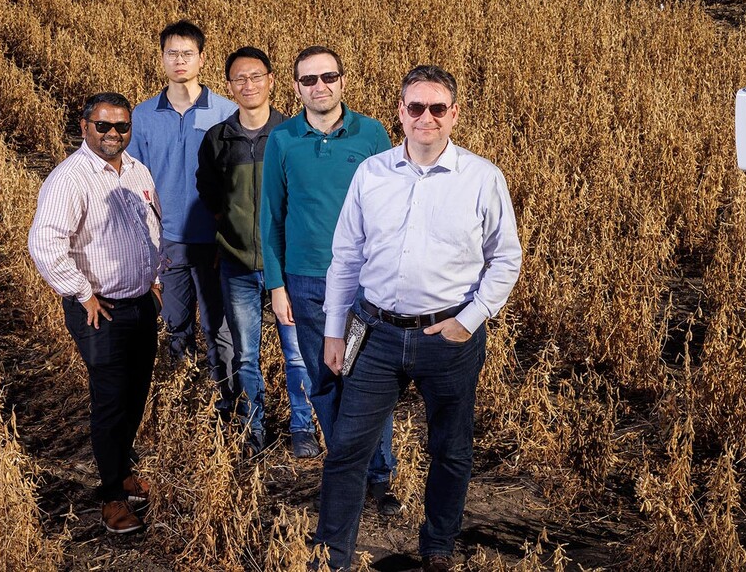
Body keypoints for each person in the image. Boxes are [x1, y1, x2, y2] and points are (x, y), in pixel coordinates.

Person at [314, 66, 523, 571]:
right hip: (378, 333)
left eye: (436, 108)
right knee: (346, 449)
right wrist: (334, 330)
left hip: (448, 338)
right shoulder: (373, 173)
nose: (425, 118)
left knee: (450, 451)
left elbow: (506, 258)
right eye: (415, 108)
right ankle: (331, 556)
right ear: (401, 113)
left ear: (454, 114)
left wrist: (468, 320)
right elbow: (345, 257)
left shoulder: (482, 177)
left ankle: (437, 548)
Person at [260, 46, 400, 514]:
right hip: (305, 281)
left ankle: (379, 475)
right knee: (323, 378)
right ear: (295, 87)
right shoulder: (282, 140)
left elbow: (397, 207)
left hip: (364, 284)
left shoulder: (373, 133)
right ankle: (347, 469)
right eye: (309, 80)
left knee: (369, 381)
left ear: (342, 80)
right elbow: (271, 216)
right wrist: (277, 285)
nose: (320, 86)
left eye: (328, 76)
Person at [28, 92, 163, 534]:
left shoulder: (137, 170)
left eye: (122, 127)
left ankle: (122, 471)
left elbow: (152, 228)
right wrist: (81, 293)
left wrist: (155, 280)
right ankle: (111, 499)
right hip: (100, 310)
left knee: (135, 395)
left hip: (140, 303)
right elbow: (46, 245)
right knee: (110, 402)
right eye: (103, 126)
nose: (112, 134)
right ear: (84, 126)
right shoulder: (70, 178)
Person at [196, 46, 319, 458]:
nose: (248, 85)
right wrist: (231, 235)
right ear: (229, 86)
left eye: (256, 77)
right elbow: (210, 195)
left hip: (288, 266)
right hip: (237, 266)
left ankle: (303, 427)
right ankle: (254, 428)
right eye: (239, 79)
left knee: (297, 354)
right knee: (247, 355)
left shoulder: (293, 135)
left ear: (270, 80)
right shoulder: (218, 139)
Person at [127, 20, 238, 404]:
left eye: (187, 53)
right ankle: (185, 400)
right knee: (176, 325)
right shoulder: (142, 116)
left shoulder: (226, 112)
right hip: (167, 239)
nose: (179, 60)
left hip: (214, 239)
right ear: (161, 58)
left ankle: (225, 399)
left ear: (201, 59)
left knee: (218, 327)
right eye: (172, 53)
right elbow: (134, 181)